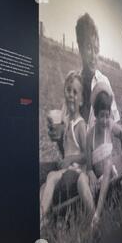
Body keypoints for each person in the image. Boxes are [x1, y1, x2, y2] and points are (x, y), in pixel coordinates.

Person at [48, 13, 121, 154]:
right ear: (80, 48)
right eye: (88, 48)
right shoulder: (74, 85)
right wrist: (57, 134)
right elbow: (63, 128)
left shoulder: (103, 83)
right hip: (76, 160)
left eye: (96, 49)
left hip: (98, 160)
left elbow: (114, 124)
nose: (94, 56)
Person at [77, 82, 122, 228]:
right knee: (81, 179)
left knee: (107, 163)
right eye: (102, 116)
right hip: (98, 180)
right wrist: (90, 173)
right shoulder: (90, 135)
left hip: (111, 175)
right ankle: (95, 218)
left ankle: (98, 212)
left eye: (107, 116)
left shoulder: (110, 126)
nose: (105, 120)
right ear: (95, 114)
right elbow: (88, 166)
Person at [40, 71, 87, 226]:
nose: (71, 95)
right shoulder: (65, 121)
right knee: (44, 185)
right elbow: (64, 149)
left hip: (76, 170)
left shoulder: (81, 125)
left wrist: (70, 159)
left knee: (52, 177)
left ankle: (41, 218)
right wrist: (57, 138)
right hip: (67, 168)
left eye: (75, 92)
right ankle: (45, 216)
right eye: (68, 90)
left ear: (81, 100)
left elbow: (87, 155)